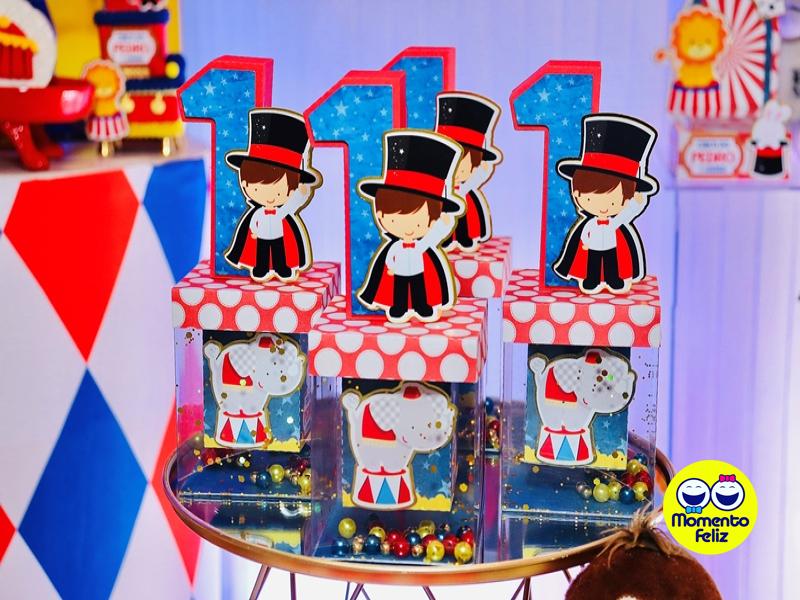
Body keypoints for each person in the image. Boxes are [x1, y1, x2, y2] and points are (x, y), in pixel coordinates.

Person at [357, 130, 464, 322]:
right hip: (399, 270)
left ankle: (422, 306)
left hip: (419, 268)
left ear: (432, 220)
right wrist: (390, 267)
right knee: (398, 289)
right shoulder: (395, 247)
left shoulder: (423, 245)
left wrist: (444, 224)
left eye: (419, 222)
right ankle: (398, 307)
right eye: (395, 219)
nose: (408, 228)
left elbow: (436, 235)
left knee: (419, 288)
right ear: (380, 215)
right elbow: (389, 258)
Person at [553, 114, 659, 294]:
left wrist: (639, 201)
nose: (603, 206)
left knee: (612, 262)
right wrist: (585, 243)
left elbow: (630, 212)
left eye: (613, 200)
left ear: (626, 198)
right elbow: (584, 235)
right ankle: (591, 279)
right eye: (590, 197)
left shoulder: (616, 222)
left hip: (612, 244)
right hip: (593, 246)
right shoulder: (589, 224)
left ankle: (613, 279)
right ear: (576, 193)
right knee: (592, 263)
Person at [225, 109, 320, 282]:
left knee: (279, 252)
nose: (269, 196)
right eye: (257, 188)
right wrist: (254, 232)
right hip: (261, 236)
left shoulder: (283, 212)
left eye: (278, 192)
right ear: (244, 184)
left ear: (291, 190)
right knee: (261, 253)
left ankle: (281, 267)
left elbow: (295, 203)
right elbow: (252, 224)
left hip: (279, 234)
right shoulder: (257, 214)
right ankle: (261, 268)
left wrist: (303, 192)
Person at [434, 92, 502, 252]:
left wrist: (484, 170)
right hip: (445, 201)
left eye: (462, 168)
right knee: (445, 217)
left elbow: (479, 176)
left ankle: (464, 238)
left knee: (465, 219)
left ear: (473, 165)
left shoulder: (469, 183)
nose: (455, 173)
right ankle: (447, 238)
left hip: (465, 200)